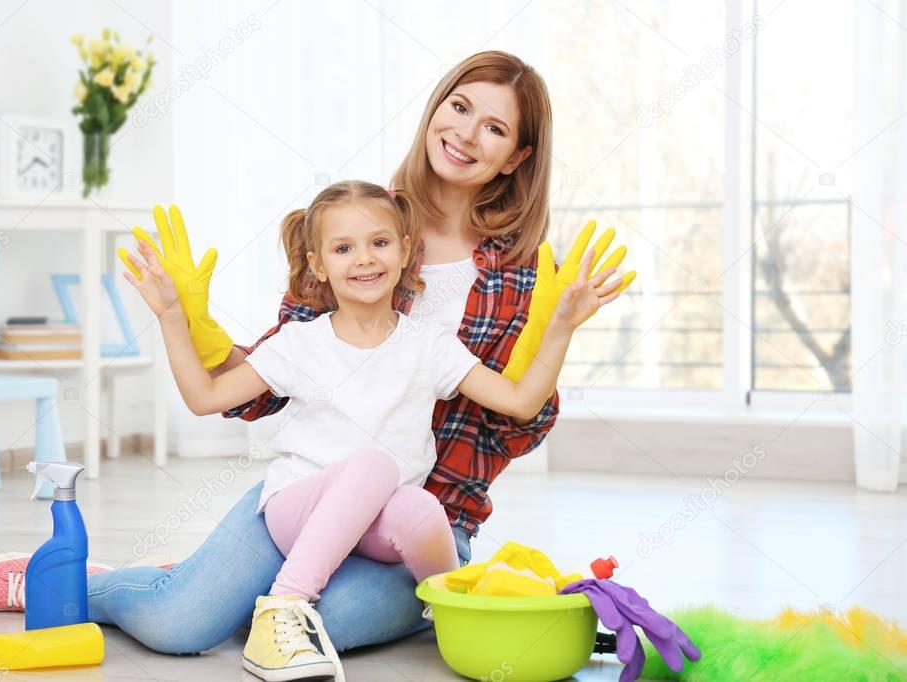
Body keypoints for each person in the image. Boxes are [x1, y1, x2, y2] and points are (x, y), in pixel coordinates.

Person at [0, 51, 635, 658]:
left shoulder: (522, 274)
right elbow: (280, 369)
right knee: (180, 626)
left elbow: (516, 422)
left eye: (494, 126)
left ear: (516, 156)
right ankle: (108, 585)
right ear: (434, 111)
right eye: (458, 107)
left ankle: (268, 594)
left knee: (326, 624)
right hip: (309, 493)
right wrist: (192, 328)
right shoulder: (361, 222)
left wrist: (555, 331)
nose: (464, 132)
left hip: (423, 522)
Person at [124, 179, 623, 680]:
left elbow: (520, 400)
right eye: (343, 248)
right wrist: (172, 315)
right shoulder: (300, 343)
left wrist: (560, 326)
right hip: (297, 507)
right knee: (374, 465)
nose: (364, 259)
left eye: (379, 243)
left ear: (406, 251)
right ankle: (280, 605)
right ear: (318, 264)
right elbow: (204, 397)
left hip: (380, 523)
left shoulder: (429, 345)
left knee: (421, 506)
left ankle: (451, 608)